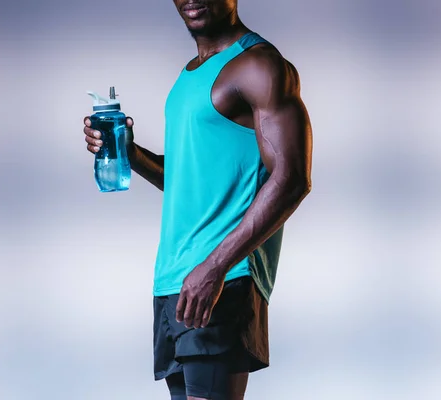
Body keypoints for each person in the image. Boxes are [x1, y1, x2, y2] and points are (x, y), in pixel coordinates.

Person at [83, 1, 312, 398]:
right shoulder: (188, 77)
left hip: (222, 279)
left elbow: (292, 178)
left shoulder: (259, 66)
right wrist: (131, 154)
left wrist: (216, 266)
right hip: (175, 280)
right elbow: (188, 179)